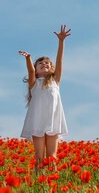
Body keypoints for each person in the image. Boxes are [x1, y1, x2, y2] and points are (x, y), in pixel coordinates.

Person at [19, 24, 71, 173]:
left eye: (47, 63)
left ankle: (52, 184)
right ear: (36, 69)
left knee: (52, 157)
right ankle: (39, 182)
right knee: (39, 158)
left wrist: (61, 42)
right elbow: (30, 71)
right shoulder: (34, 84)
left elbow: (60, 60)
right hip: (38, 122)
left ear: (52, 68)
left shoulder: (55, 81)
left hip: (53, 122)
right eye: (40, 64)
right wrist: (28, 59)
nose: (44, 64)